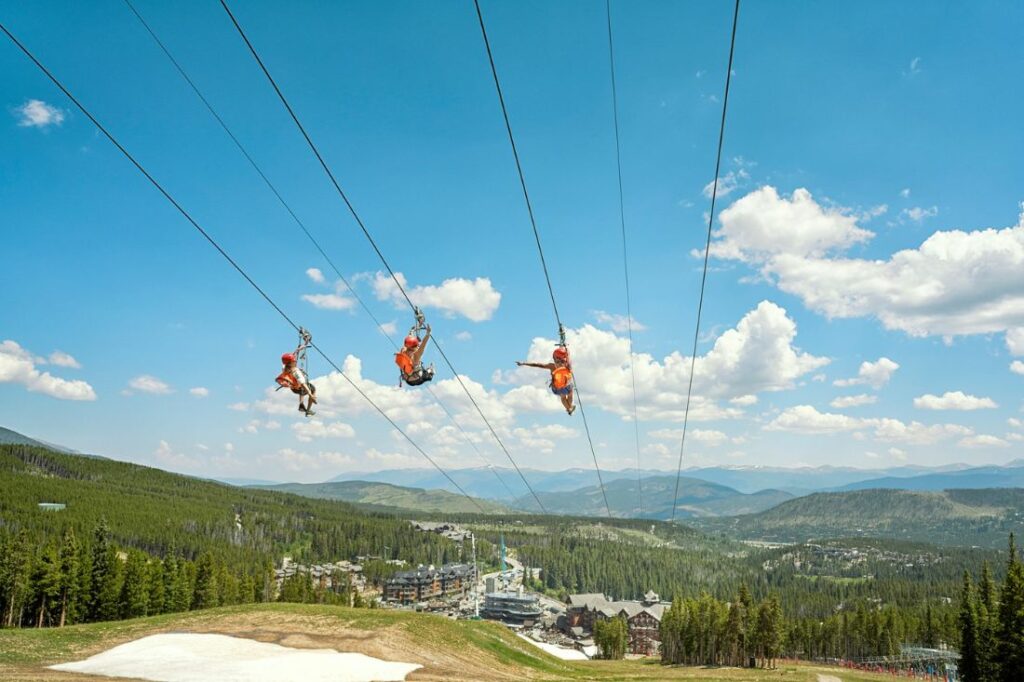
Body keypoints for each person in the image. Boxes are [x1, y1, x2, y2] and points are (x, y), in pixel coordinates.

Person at [516, 346, 575, 415]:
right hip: (565, 386)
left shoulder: (552, 366)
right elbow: (568, 359)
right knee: (570, 393)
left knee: (563, 396)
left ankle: (569, 409)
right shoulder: (566, 365)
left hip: (557, 388)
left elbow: (538, 365)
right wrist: (567, 352)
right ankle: (569, 408)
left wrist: (524, 363)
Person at [276, 351, 317, 416]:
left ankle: (301, 404)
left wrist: (300, 348)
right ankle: (308, 410)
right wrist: (310, 395)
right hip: (298, 387)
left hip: (294, 388)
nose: (295, 361)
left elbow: (291, 356)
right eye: (294, 361)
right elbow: (303, 384)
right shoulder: (296, 372)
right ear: (291, 362)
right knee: (312, 389)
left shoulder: (284, 367)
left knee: (302, 388)